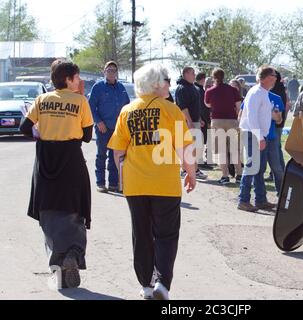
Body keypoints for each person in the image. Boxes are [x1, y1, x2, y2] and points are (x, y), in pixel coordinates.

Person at [108, 63, 196, 300]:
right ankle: (162, 285)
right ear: (157, 84)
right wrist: (192, 172)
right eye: (166, 79)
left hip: (136, 184)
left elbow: (118, 152)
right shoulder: (171, 110)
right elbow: (185, 146)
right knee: (166, 235)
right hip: (164, 184)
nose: (169, 83)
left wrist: (124, 178)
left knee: (142, 234)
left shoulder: (127, 111)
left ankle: (146, 285)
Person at [19, 60, 94, 289]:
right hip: (71, 161)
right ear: (68, 79)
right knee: (75, 209)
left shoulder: (42, 100)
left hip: (45, 163)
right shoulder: (80, 101)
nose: (79, 81)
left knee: (49, 212)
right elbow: (88, 135)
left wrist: (41, 131)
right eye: (77, 77)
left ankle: (59, 263)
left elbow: (24, 127)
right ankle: (73, 252)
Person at [238, 66, 277, 212]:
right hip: (253, 134)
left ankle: (260, 199)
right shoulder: (256, 93)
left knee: (259, 168)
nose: (275, 78)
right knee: (252, 167)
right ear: (267, 77)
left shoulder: (262, 92)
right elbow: (252, 117)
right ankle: (243, 199)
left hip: (257, 134)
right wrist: (260, 137)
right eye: (274, 75)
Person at [89, 61, 130, 193]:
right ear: (104, 71)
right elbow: (91, 106)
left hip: (118, 129)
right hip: (103, 128)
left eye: (114, 70)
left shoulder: (121, 88)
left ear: (117, 72)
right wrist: (98, 122)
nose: (111, 72)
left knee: (115, 156)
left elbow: (127, 106)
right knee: (101, 155)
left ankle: (113, 183)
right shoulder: (98, 87)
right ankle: (100, 183)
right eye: (109, 70)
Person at [205, 68, 243, 184]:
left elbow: (207, 104)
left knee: (222, 150)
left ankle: (225, 176)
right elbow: (238, 106)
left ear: (213, 77)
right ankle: (239, 175)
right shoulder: (232, 90)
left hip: (217, 121)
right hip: (232, 120)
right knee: (234, 149)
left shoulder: (210, 91)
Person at [175, 66, 208, 179]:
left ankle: (191, 169)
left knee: (194, 147)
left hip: (194, 121)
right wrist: (189, 121)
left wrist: (199, 119)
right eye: (192, 73)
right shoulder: (181, 88)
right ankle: (189, 170)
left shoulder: (192, 87)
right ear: (186, 74)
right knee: (190, 147)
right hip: (187, 122)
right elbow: (183, 107)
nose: (194, 75)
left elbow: (195, 106)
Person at [194, 72, 212, 169]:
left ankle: (201, 161)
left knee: (201, 141)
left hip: (199, 119)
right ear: (203, 79)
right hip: (201, 120)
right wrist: (206, 120)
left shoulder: (197, 89)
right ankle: (200, 162)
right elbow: (202, 108)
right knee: (200, 141)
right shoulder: (199, 90)